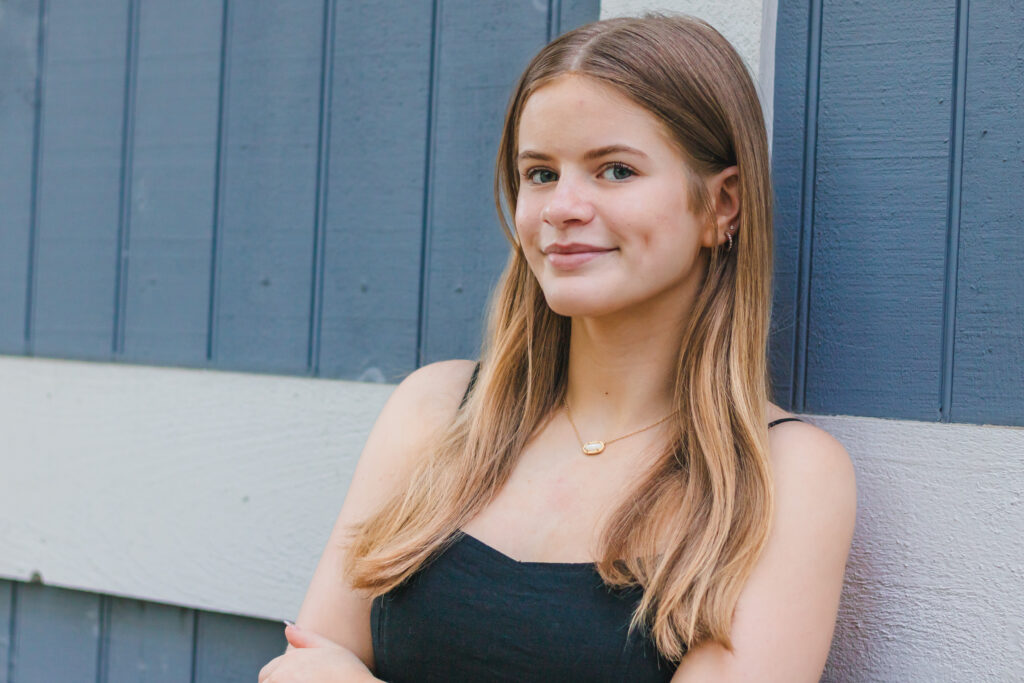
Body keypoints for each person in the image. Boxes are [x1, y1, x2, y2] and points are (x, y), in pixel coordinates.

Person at [259, 13, 856, 683]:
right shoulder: (437, 412)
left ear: (724, 205)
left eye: (615, 170)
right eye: (540, 174)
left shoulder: (780, 477)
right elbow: (303, 667)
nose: (562, 206)